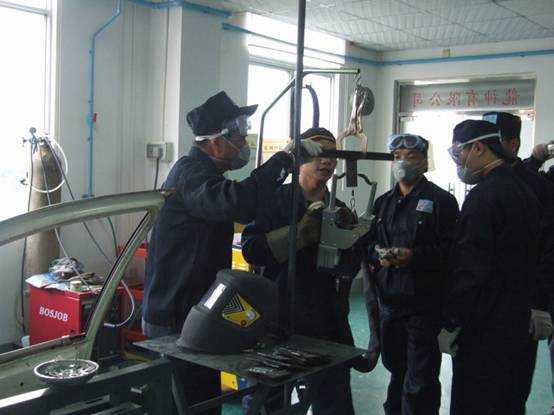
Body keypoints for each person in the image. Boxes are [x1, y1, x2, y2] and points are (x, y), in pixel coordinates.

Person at [142, 91, 323, 412]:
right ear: (215, 142)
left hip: (196, 310)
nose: (244, 141)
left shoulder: (207, 176)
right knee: (184, 403)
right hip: (174, 316)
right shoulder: (190, 174)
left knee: (203, 400)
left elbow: (247, 203)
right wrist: (283, 160)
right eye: (239, 135)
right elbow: (236, 202)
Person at [241, 127, 360, 415]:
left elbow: (350, 267)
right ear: (300, 157)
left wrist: (352, 240)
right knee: (267, 400)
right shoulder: (273, 201)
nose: (326, 160)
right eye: (318, 152)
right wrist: (296, 235)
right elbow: (251, 250)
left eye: (331, 154)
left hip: (325, 319)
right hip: (277, 316)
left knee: (333, 401)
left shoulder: (340, 210)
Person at [444, 120, 541, 415]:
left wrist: (453, 322)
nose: (459, 163)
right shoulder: (525, 189)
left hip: (484, 328)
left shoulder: (483, 198)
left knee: (475, 403)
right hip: (518, 323)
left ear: (478, 148)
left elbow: (471, 269)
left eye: (459, 154)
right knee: (509, 402)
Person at [364, 133, 459, 415]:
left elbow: (452, 252)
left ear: (424, 162)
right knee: (396, 369)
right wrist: (378, 256)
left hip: (423, 305)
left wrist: (413, 257)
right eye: (397, 157)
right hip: (388, 303)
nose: (402, 162)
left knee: (420, 379)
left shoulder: (442, 201)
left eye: (411, 156)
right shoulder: (383, 202)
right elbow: (369, 244)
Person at [483, 112, 554, 413]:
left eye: (494, 141)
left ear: (511, 144)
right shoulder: (490, 183)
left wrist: (539, 303)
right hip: (501, 301)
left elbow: (546, 246)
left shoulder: (535, 185)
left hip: (533, 294)